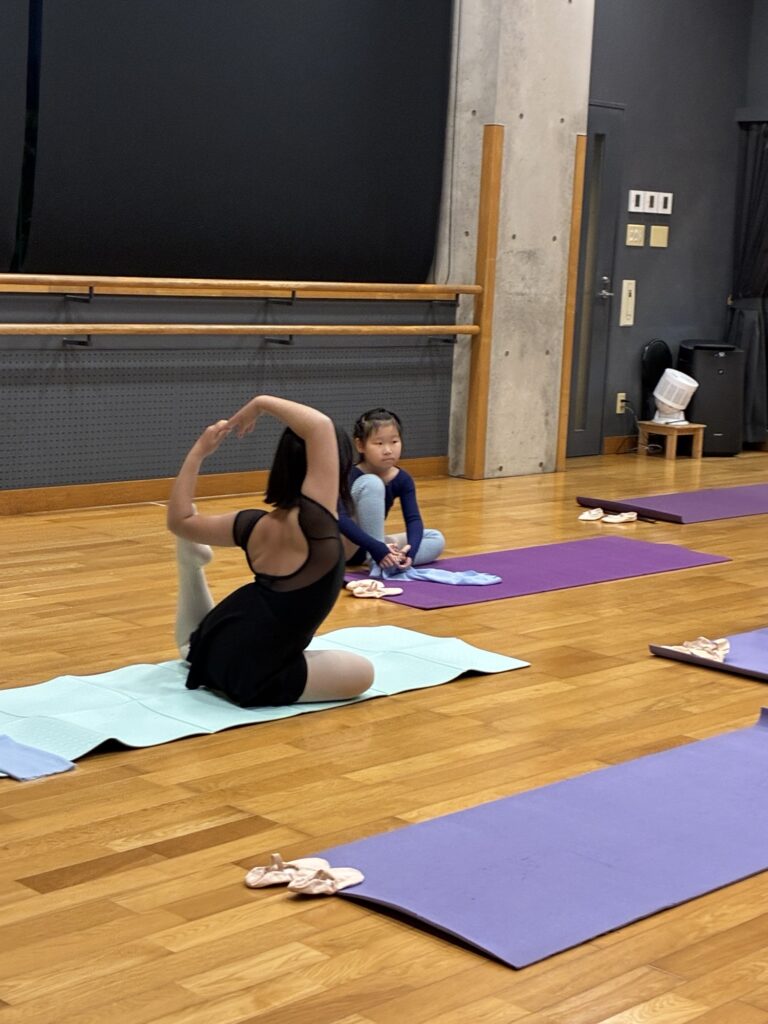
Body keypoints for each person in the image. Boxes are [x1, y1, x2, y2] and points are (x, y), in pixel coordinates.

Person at [167, 395, 374, 706]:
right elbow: (320, 427)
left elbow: (180, 522)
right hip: (255, 673)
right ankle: (194, 572)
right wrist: (260, 403)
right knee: (363, 673)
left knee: (202, 644)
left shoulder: (253, 524)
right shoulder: (316, 521)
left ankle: (191, 569)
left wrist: (198, 453)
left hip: (218, 643)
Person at [339, 407, 445, 572]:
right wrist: (376, 547)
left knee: (435, 538)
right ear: (360, 445)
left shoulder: (402, 479)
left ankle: (393, 559)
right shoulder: (348, 475)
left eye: (394, 442)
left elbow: (413, 519)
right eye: (379, 443)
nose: (388, 450)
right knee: (372, 483)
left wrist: (410, 552)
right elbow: (340, 519)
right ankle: (378, 560)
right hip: (345, 546)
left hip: (373, 545)